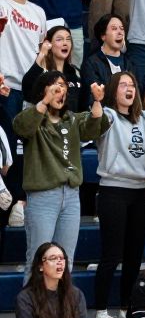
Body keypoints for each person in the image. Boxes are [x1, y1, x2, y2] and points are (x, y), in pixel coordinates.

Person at [14, 73, 109, 281]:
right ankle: (33, 312)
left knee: (65, 259)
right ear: (43, 90)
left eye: (63, 86)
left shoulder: (72, 119)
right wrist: (44, 102)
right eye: (55, 86)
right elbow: (21, 127)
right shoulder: (34, 117)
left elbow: (93, 128)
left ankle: (60, 312)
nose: (61, 90)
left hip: (72, 196)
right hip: (43, 196)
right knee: (39, 258)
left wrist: (97, 101)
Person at [93, 71, 145, 318]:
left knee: (133, 255)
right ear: (113, 90)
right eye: (123, 85)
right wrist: (97, 100)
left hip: (140, 192)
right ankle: (100, 310)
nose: (129, 89)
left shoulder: (142, 118)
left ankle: (126, 307)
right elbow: (94, 120)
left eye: (132, 85)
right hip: (113, 190)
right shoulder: (107, 115)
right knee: (112, 254)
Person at [0, 0, 46, 116]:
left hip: (33, 88)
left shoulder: (39, 12)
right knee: (9, 139)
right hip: (7, 86)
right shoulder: (2, 6)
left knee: (29, 140)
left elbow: (41, 49)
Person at [80, 14, 136, 93]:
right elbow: (91, 97)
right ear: (103, 36)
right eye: (114, 29)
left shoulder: (129, 63)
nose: (120, 32)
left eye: (122, 29)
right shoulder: (91, 63)